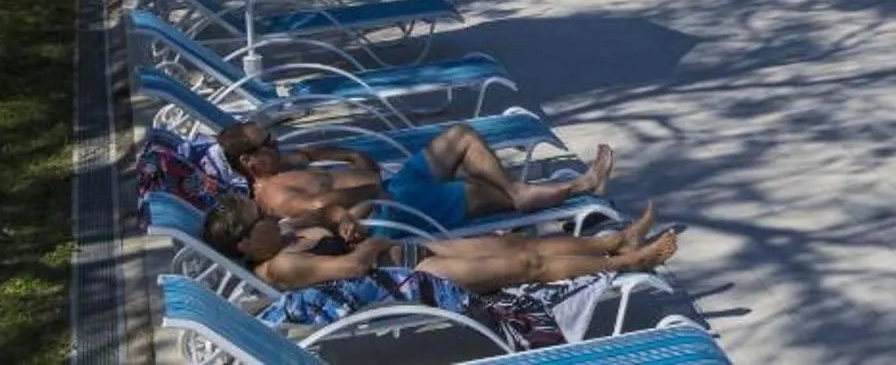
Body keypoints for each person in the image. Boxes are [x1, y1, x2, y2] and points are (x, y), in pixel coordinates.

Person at [201, 194, 679, 292]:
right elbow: (352, 270)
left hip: (407, 256)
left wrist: (342, 220)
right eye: (259, 218)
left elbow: (326, 212)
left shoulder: (282, 234)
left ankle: (615, 240)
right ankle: (626, 262)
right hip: (408, 282)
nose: (269, 214)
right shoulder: (280, 266)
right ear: (245, 245)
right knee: (527, 265)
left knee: (513, 245)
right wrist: (371, 244)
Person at [217, 121, 616, 235]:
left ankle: (517, 191)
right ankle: (580, 188)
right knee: (477, 191)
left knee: (460, 136)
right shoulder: (275, 194)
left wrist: (347, 155)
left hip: (394, 188)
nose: (278, 142)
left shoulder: (283, 164)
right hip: (389, 214)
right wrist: (368, 188)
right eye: (268, 142)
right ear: (250, 162)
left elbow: (321, 155)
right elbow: (323, 209)